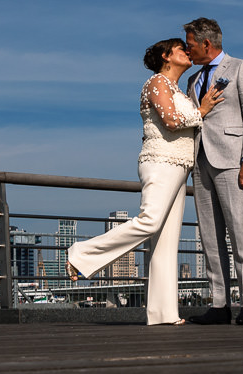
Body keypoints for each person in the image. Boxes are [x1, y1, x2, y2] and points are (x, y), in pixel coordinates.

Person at [67, 38, 224, 325]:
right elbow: (172, 121)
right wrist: (201, 111)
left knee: (165, 242)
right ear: (166, 56)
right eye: (181, 50)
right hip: (160, 161)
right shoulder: (156, 83)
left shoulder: (178, 89)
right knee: (150, 221)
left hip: (180, 166)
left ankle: (164, 314)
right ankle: (81, 253)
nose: (187, 53)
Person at [182, 17, 243, 326]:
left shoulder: (242, 68)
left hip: (232, 161)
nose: (188, 51)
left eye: (190, 45)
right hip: (200, 163)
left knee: (240, 233)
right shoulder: (192, 81)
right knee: (209, 237)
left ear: (206, 43)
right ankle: (219, 304)